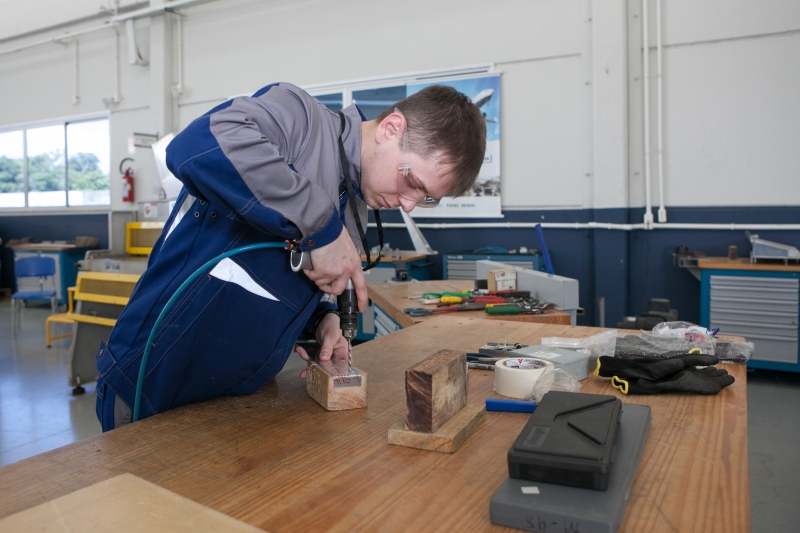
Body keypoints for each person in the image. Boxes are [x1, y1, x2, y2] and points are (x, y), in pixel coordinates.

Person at [94, 82, 486, 431]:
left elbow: (263, 275)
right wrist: (321, 226)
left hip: (231, 405)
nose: (408, 204)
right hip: (152, 382)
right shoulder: (299, 120)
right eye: (412, 182)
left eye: (426, 198)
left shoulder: (356, 206)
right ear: (391, 129)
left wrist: (321, 320)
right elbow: (198, 145)